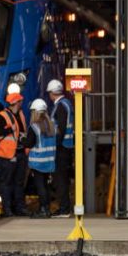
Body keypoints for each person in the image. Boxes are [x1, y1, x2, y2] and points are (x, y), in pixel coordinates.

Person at [0, 92, 28, 216]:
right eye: (20, 101)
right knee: (7, 183)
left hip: (20, 153)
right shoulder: (2, 116)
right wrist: (9, 130)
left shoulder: (20, 114)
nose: (22, 103)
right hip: (7, 155)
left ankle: (19, 208)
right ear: (16, 102)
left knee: (19, 182)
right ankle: (7, 209)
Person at [47, 79, 75, 217]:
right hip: (67, 146)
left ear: (52, 93)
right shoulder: (67, 103)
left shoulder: (60, 107)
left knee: (60, 180)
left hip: (62, 148)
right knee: (63, 178)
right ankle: (64, 207)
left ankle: (64, 209)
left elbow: (61, 129)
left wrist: (55, 145)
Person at [25, 99, 56, 218]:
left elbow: (28, 143)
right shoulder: (52, 124)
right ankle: (46, 209)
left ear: (35, 112)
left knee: (40, 186)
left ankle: (43, 209)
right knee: (46, 186)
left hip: (38, 162)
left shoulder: (34, 127)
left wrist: (23, 139)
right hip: (49, 162)